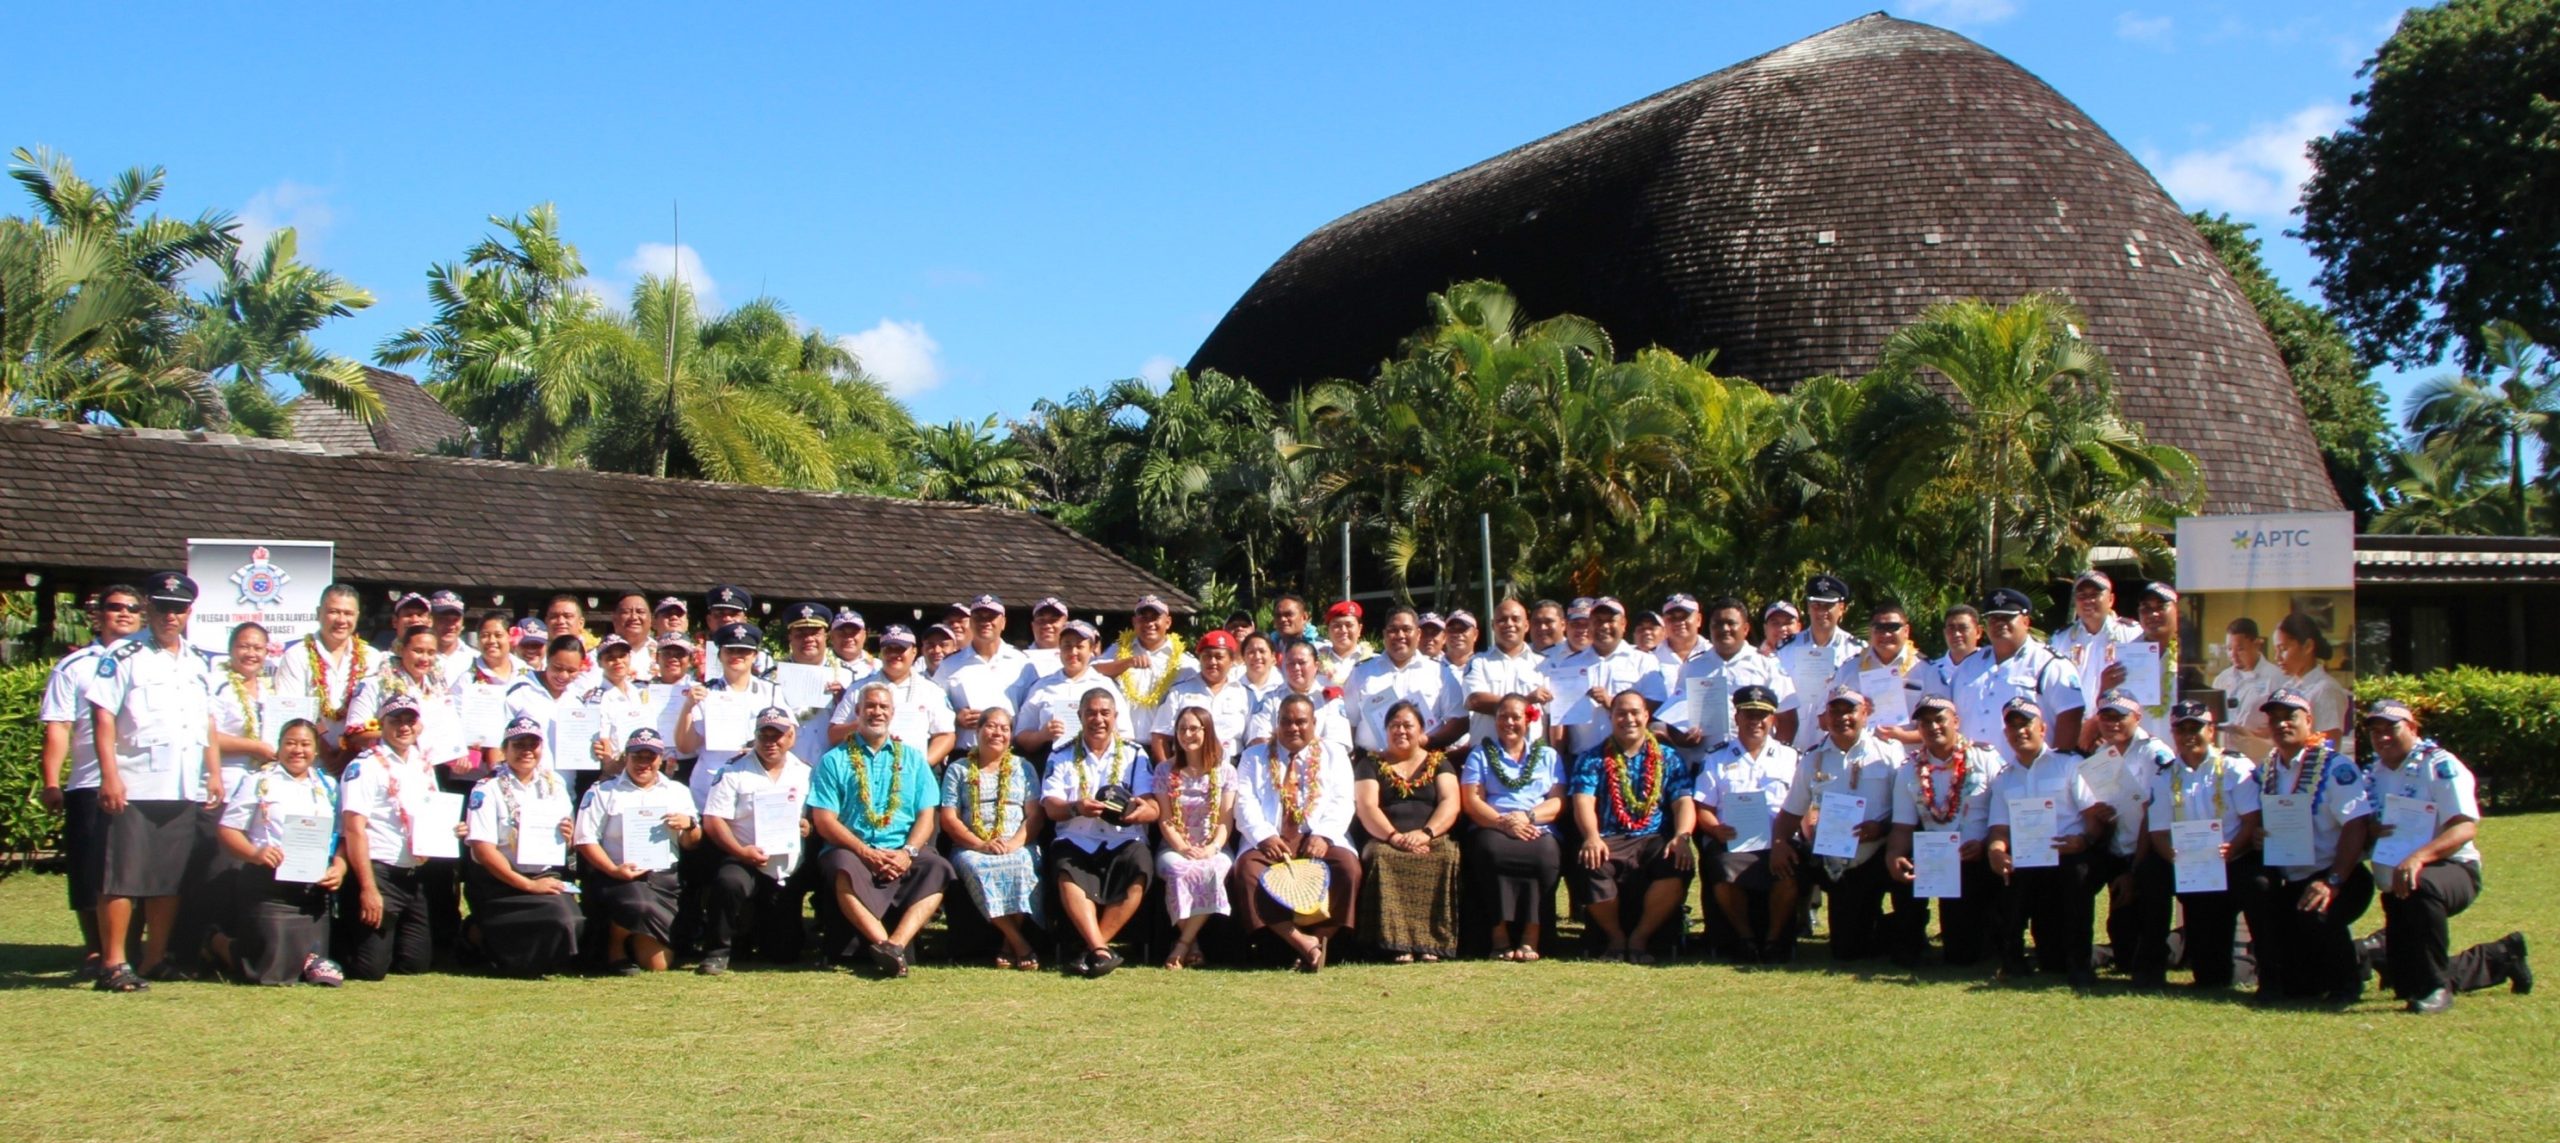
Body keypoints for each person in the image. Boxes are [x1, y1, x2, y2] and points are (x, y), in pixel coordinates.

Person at [84, 572, 222, 991]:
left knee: (168, 879)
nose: (170, 616)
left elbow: (206, 722)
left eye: (178, 609)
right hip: (135, 782)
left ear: (189, 612)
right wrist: (109, 775)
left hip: (180, 783)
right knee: (122, 876)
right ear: (149, 607)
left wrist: (213, 771)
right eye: (162, 607)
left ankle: (154, 958)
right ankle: (113, 963)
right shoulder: (124, 655)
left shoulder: (198, 661)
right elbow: (102, 715)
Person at [2360, 699, 2532, 1011]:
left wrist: (2419, 858)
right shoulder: (2375, 773)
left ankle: (2438, 989)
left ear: (2412, 728)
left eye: (2391, 728)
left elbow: (2464, 828)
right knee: (2407, 985)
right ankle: (2502, 956)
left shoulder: (2439, 765)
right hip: (2398, 887)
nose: (2382, 737)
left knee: (2421, 885)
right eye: (2375, 731)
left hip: (2453, 870)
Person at [2241, 687, 2374, 1004]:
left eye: (2290, 717)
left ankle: (2348, 983)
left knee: (2316, 913)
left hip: (2339, 875)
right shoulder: (2268, 768)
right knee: (2298, 982)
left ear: (2309, 720)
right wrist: (2259, 833)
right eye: (2274, 719)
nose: (2281, 724)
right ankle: (2359, 958)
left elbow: (2356, 824)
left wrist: (2333, 882)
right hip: (2293, 877)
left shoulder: (2334, 766)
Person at [808, 682, 951, 977]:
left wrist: (908, 852)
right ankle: (881, 941)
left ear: (892, 713)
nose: (876, 712)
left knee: (939, 868)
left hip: (901, 848)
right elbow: (823, 820)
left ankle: (894, 946)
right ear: (858, 712)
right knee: (841, 867)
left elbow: (927, 814)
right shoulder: (834, 760)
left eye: (883, 707)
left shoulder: (912, 759)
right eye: (870, 706)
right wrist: (864, 851)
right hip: (852, 849)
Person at [39, 586, 146, 980]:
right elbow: (59, 727)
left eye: (132, 609)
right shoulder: (75, 667)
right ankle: (94, 950)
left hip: (144, 781)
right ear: (98, 615)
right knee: (89, 869)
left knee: (133, 871)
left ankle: (128, 948)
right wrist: (53, 781)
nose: (124, 614)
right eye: (114, 608)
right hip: (90, 781)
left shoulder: (154, 659)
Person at [2131, 699, 2259, 990]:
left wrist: (2234, 848)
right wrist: (2173, 857)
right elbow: (2159, 831)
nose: (2189, 735)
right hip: (2186, 862)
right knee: (2150, 874)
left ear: (2211, 731)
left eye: (2196, 727)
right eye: (2181, 728)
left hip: (2232, 858)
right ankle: (2149, 967)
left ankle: (2266, 969)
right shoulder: (2165, 776)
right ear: (2173, 733)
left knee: (2212, 975)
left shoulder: (2235, 766)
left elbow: (2252, 820)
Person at [1234, 694, 1361, 972]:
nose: (1293, 728)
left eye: (1301, 722)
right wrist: (1264, 836)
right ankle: (1303, 944)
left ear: (1314, 723)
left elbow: (1342, 800)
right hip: (1270, 836)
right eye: (1286, 722)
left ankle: (1321, 941)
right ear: (1276, 723)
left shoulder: (1333, 754)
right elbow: (1244, 803)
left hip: (1318, 835)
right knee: (1246, 870)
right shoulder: (1253, 756)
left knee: (1347, 867)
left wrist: (1325, 835)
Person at [214, 718, 346, 986]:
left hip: (312, 889)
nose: (298, 750)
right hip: (267, 883)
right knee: (266, 972)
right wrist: (255, 853)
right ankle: (218, 944)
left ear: (316, 750)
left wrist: (340, 868)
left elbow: (343, 836)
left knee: (312, 969)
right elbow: (227, 829)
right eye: (290, 743)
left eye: (305, 744)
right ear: (279, 746)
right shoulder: (258, 781)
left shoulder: (329, 787)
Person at [1774, 685, 1901, 962]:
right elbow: (1790, 813)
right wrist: (1779, 843)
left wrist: (1881, 828)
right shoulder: (1812, 760)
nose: (1842, 717)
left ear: (1865, 714)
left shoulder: (1890, 754)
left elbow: (1907, 811)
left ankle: (1902, 929)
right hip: (1833, 863)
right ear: (1825, 717)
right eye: (1835, 711)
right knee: (1847, 950)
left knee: (1899, 941)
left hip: (1878, 855)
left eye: (1850, 710)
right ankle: (1780, 939)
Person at [1986, 697, 2106, 987]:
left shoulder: (2069, 764)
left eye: (2026, 724)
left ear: (2042, 728)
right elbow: (1999, 830)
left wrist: (2084, 840)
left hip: (2069, 854)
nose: (2020, 731)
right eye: (2012, 726)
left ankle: (2080, 964)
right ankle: (2012, 960)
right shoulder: (2004, 778)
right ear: (2006, 734)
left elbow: (2094, 817)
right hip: (2028, 858)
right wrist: (1997, 852)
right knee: (2007, 880)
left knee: (2078, 874)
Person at [1569, 690, 1697, 963]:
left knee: (1677, 862)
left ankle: (1640, 937)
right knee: (1591, 862)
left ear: (1646, 716)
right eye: (1621, 713)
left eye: (1635, 712)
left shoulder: (1668, 758)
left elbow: (1683, 802)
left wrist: (1681, 836)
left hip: (1653, 838)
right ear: (1611, 717)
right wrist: (1591, 837)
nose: (1628, 719)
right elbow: (1583, 801)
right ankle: (1615, 938)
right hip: (1610, 837)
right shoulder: (1592, 758)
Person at [1042, 687, 1162, 977]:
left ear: (1115, 717)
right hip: (1077, 836)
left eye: (1105, 713)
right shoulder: (1061, 754)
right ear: (1080, 716)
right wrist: (1076, 807)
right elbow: (1050, 806)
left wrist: (1137, 812)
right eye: (1091, 713)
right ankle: (1100, 949)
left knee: (1141, 865)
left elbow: (1153, 808)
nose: (1098, 719)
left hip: (1123, 838)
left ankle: (1092, 950)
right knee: (1065, 867)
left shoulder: (1134, 755)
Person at [336, 692, 453, 981]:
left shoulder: (422, 763)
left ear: (419, 725)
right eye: (396, 720)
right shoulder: (364, 766)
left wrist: (452, 829)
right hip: (380, 870)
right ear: (382, 724)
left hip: (414, 875)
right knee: (370, 970)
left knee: (415, 963)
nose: (404, 727)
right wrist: (367, 887)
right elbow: (354, 828)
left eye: (410, 720)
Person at [1885, 696, 2000, 968]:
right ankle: (1910, 938)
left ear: (1956, 722)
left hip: (1975, 857)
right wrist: (1893, 856)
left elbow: (2001, 816)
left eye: (1940, 719)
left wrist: (1985, 844)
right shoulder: (1909, 770)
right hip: (1932, 857)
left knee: (1963, 955)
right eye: (1925, 722)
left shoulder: (1985, 758)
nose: (1933, 727)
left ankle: (1990, 932)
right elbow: (1903, 826)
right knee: (1903, 866)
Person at [697, 707, 814, 974]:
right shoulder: (732, 771)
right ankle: (717, 952)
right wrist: (740, 851)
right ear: (755, 736)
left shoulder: (804, 771)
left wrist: (808, 826)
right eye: (765, 735)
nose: (771, 742)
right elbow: (714, 820)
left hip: (786, 863)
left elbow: (810, 817)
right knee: (729, 883)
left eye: (778, 736)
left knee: (784, 954)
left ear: (792, 737)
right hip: (742, 855)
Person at [462, 715, 580, 976]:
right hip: (501, 881)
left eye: (533, 745)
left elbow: (567, 839)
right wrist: (527, 885)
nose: (527, 751)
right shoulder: (487, 788)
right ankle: (480, 934)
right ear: (505, 749)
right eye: (519, 745)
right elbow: (482, 848)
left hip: (545, 874)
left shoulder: (555, 784)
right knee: (560, 919)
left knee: (573, 921)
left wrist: (568, 834)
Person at [573, 728, 698, 973]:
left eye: (649, 757)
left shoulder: (678, 792)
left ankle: (628, 935)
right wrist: (613, 870)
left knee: (657, 966)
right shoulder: (602, 791)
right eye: (636, 756)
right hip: (618, 878)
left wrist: (690, 825)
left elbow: (691, 843)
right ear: (625, 757)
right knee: (638, 905)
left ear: (660, 759)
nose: (643, 763)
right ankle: (615, 943)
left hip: (664, 880)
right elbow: (584, 839)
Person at [1692, 685, 1802, 962]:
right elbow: (1702, 807)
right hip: (1733, 841)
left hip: (1779, 840)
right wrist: (1715, 829)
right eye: (1749, 714)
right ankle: (1746, 939)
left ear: (1773, 719)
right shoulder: (1716, 757)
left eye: (1762, 715)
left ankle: (1774, 940)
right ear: (1737, 717)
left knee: (1790, 873)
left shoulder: (1792, 758)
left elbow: (1805, 804)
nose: (1756, 721)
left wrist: (1783, 841)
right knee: (1721, 870)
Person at [1353, 702, 1462, 964]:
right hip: (1385, 838)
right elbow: (1367, 806)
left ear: (1422, 730)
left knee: (1446, 854)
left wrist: (1427, 833)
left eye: (1407, 725)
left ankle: (1430, 943)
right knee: (1382, 856)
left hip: (1430, 837)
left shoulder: (1439, 762)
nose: (1401, 731)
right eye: (1394, 725)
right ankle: (1394, 943)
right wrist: (1394, 837)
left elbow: (1450, 801)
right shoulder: (1370, 763)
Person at [1460, 694, 1566, 961]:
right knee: (1491, 853)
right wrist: (1503, 823)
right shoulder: (1480, 754)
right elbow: (1472, 800)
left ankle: (1531, 937)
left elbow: (1557, 800)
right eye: (1502, 717)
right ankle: (1499, 936)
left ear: (1528, 720)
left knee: (1544, 855)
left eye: (1515, 717)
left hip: (1535, 824)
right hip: (1493, 825)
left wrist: (1528, 818)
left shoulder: (1548, 755)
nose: (1509, 722)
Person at [941, 705, 1043, 971]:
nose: (998, 732)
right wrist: (981, 844)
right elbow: (949, 817)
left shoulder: (1024, 767)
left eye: (1005, 728)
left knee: (1022, 863)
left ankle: (1009, 945)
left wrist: (1013, 844)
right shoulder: (958, 768)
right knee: (978, 866)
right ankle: (1019, 942)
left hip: (1016, 842)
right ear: (977, 730)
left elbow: (1034, 815)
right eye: (991, 726)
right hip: (972, 846)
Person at [2080, 688, 2165, 974]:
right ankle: (2075, 956)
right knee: (2079, 880)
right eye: (2106, 716)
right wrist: (2103, 818)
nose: (2112, 722)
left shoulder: (2155, 753)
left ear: (2138, 717)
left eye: (2120, 716)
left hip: (2148, 852)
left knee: (2136, 934)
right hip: (2115, 848)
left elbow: (2153, 816)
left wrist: (2134, 870)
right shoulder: (2101, 754)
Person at [1953, 589, 2083, 765]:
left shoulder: (2049, 663)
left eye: (2007, 618)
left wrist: (2055, 768)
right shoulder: (1968, 666)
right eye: (1993, 618)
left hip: (2026, 775)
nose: (1999, 623)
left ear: (2026, 621)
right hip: (1970, 776)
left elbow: (2070, 718)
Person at [1664, 596, 1796, 763]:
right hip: (1704, 763)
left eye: (1731, 623)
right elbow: (1674, 718)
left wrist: (1776, 759)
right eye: (1718, 624)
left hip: (1754, 764)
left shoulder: (1766, 665)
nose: (1724, 629)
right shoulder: (1692, 667)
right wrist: (1683, 737)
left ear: (1746, 629)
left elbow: (1788, 720)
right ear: (1710, 629)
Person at [1155, 705, 1238, 969]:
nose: (1187, 734)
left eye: (1193, 728)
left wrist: (1212, 848)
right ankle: (1193, 945)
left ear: (1207, 731)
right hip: (1175, 845)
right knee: (1179, 870)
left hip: (1213, 845)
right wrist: (1182, 846)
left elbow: (1225, 821)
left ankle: (1182, 944)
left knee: (1213, 869)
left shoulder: (1224, 771)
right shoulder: (1165, 771)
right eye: (1181, 729)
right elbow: (1166, 819)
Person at [679, 622, 784, 810]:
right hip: (711, 784)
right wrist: (688, 707)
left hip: (756, 782)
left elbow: (790, 734)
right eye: (730, 650)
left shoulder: (771, 692)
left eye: (743, 651)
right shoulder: (705, 693)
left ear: (755, 656)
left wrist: (760, 747)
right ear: (719, 655)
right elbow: (686, 746)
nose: (736, 655)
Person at [1548, 598, 1665, 759]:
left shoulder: (1643, 661)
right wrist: (1558, 758)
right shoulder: (1570, 664)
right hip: (1581, 758)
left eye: (1611, 620)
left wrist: (1612, 704)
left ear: (1623, 624)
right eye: (1598, 621)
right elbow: (1560, 719)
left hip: (1629, 757)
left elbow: (1656, 706)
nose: (1604, 626)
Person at [273, 583, 375, 767]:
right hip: (311, 762)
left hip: (361, 761)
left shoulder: (373, 658)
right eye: (334, 611)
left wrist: (348, 751)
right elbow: (293, 712)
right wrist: (327, 755)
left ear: (357, 616)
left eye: (348, 613)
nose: (341, 620)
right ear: (318, 613)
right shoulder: (297, 655)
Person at [1345, 608, 1468, 754]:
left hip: (1424, 760)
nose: (1400, 635)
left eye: (1406, 629)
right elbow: (1349, 721)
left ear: (1418, 634)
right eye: (1393, 630)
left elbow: (1459, 720)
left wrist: (1427, 742)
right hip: (1372, 762)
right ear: (1384, 635)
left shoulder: (1440, 672)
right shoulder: (1361, 672)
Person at [827, 624, 954, 767]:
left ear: (914, 652)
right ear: (881, 653)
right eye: (889, 649)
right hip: (865, 771)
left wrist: (922, 766)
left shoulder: (931, 691)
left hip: (912, 770)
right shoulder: (858, 689)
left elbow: (945, 735)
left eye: (900, 649)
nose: (894, 654)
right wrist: (861, 724)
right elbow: (834, 735)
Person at [935, 594, 1039, 755]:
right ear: (970, 622)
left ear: (1003, 622)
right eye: (978, 617)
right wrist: (956, 717)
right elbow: (934, 707)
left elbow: (1033, 713)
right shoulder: (949, 664)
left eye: (991, 617)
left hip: (1010, 754)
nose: (985, 622)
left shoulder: (1023, 663)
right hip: (965, 754)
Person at [1098, 594, 1196, 764]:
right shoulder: (1118, 650)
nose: (1149, 623)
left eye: (1155, 618)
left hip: (1166, 747)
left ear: (1168, 622)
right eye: (1144, 618)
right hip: (1123, 745)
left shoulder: (1184, 661)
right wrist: (1126, 663)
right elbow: (1092, 671)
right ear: (1135, 622)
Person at [1775, 574, 1867, 752]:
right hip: (1792, 743)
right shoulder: (1786, 650)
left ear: (1841, 608)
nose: (1821, 611)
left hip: (1836, 747)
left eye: (1828, 606)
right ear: (1808, 607)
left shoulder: (1857, 651)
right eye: (1816, 605)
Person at [1017, 620, 1130, 758]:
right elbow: (1021, 736)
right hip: (1050, 764)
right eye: (1067, 646)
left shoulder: (1106, 686)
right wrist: (1042, 735)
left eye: (1079, 646)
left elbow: (1126, 735)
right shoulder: (1041, 686)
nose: (1073, 652)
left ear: (1091, 648)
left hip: (1098, 765)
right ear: (1060, 648)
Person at [1834, 602, 1928, 748]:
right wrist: (1857, 715)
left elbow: (1944, 724)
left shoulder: (1926, 670)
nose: (1885, 634)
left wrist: (1904, 736)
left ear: (1906, 631)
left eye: (1893, 627)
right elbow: (1825, 719)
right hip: (1861, 761)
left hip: (1911, 761)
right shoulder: (1848, 670)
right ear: (1871, 631)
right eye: (1879, 628)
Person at [1245, 641, 1355, 756]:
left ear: (1316, 666)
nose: (1296, 668)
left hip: (1320, 766)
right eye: (1290, 663)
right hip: (1276, 764)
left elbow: (1337, 743)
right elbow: (1259, 739)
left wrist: (1304, 760)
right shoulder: (1270, 698)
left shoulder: (1329, 699)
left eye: (1301, 663)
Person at [1163, 629, 1255, 761]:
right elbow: (1160, 736)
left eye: (1219, 657)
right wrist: (1168, 771)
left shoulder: (1245, 694)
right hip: (1187, 766)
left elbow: (1252, 740)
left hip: (1232, 765)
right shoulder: (1179, 692)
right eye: (1207, 656)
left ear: (1231, 660)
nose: (1212, 662)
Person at [2271, 612, 2352, 745]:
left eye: (2283, 649)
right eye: (2276, 650)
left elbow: (2328, 748)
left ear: (2308, 646)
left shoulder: (2326, 690)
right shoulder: (2288, 687)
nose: (2277, 657)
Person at [2049, 569, 2142, 681]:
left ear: (2110, 600)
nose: (2088, 600)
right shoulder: (2060, 639)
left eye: (2095, 594)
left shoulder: (2132, 634)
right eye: (2082, 595)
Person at [2210, 617, 2280, 757]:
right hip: (2225, 755)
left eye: (2240, 649)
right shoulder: (2222, 680)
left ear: (2257, 645)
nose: (2233, 655)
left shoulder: (2275, 678)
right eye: (2229, 649)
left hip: (2258, 756)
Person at [1923, 605, 1984, 702]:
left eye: (1963, 628)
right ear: (1944, 633)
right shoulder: (1929, 671)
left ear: (1978, 632)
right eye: (1951, 628)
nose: (1956, 634)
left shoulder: (1990, 669)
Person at [1315, 599, 1374, 688]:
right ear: (1328, 630)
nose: (1343, 630)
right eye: (1337, 625)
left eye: (1349, 625)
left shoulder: (1374, 661)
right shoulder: (1314, 662)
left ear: (1360, 629)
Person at [429, 591, 475, 683]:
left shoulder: (476, 658)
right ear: (430, 620)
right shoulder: (418, 657)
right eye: (443, 619)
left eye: (455, 620)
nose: (450, 626)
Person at [1238, 631, 1285, 714]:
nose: (1257, 657)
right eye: (1251, 652)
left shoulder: (1283, 687)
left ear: (1273, 656)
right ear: (1243, 657)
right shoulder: (1234, 686)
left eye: (1262, 651)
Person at [1024, 597, 1070, 676]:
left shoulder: (1074, 660)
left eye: (1054, 620)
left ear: (1066, 625)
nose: (1047, 625)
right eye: (1041, 620)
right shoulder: (1018, 657)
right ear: (1033, 626)